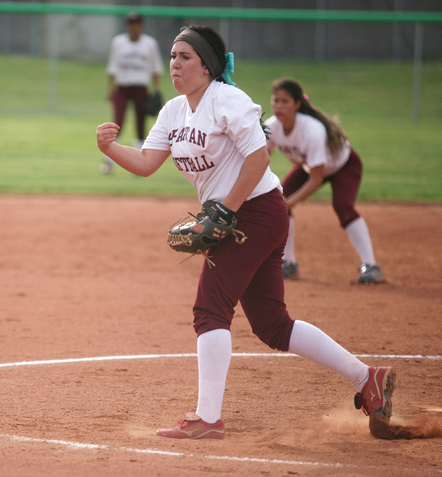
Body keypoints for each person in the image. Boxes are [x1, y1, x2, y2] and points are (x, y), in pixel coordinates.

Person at [96, 25, 395, 440]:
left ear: (208, 66)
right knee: (272, 324)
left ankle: (208, 419)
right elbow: (147, 162)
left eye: (185, 56)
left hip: (253, 212)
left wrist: (223, 211)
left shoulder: (228, 100)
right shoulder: (173, 111)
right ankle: (368, 379)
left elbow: (257, 159)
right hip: (241, 215)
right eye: (172, 56)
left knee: (209, 310)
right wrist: (110, 148)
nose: (175, 64)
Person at [265, 78, 384, 284]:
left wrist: (289, 203)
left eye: (285, 101)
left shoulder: (312, 130)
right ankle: (288, 263)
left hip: (343, 165)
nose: (279, 106)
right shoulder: (271, 127)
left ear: (297, 105)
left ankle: (371, 265)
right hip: (308, 166)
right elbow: (260, 161)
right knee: (280, 200)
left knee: (343, 207)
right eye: (276, 100)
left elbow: (316, 178)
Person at [101, 12, 163, 174]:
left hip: (141, 87)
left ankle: (140, 162)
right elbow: (113, 67)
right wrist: (110, 89)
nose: (133, 27)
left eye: (136, 24)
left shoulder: (149, 43)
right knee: (118, 122)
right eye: (130, 24)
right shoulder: (119, 42)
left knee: (140, 123)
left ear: (140, 26)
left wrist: (156, 91)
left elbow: (155, 68)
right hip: (122, 87)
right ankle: (109, 162)